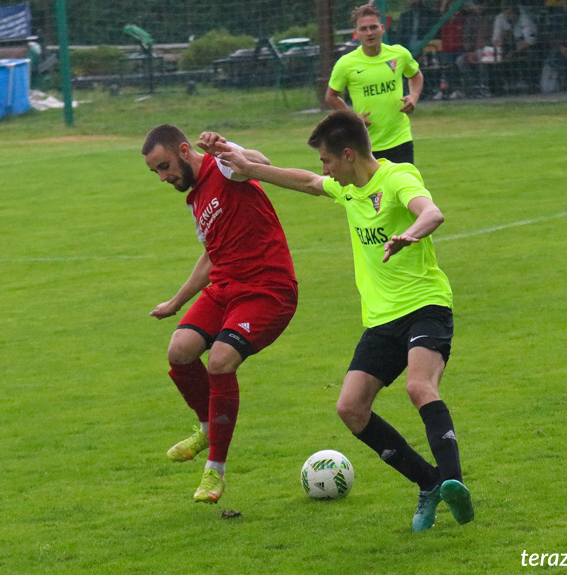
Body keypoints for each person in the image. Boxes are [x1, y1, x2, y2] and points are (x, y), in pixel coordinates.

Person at [215, 110, 474, 532]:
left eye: (327, 160)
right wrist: (252, 167)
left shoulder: (396, 177)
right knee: (351, 408)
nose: (325, 168)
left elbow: (432, 212)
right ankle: (428, 483)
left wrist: (412, 233)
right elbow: (307, 182)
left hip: (426, 304)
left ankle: (453, 484)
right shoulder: (347, 188)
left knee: (418, 385)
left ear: (348, 154)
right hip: (382, 319)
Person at [142, 125, 298, 504]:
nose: (163, 177)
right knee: (180, 351)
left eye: (165, 166)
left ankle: (216, 470)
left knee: (220, 361)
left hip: (266, 288)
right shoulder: (195, 200)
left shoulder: (225, 166)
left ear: (183, 149)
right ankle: (208, 426)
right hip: (226, 287)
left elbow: (261, 164)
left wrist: (230, 148)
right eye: (156, 172)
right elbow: (210, 257)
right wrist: (175, 303)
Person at [326, 2, 425, 164]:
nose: (369, 33)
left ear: (382, 29)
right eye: (363, 29)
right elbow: (331, 96)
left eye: (373, 27)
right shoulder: (346, 64)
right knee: (375, 190)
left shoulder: (399, 54)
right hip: (365, 144)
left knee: (405, 189)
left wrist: (413, 96)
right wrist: (352, 118)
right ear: (356, 33)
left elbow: (415, 75)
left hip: (400, 139)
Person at [492, 0, 542, 92]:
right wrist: (502, 39)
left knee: (532, 54)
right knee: (491, 55)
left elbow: (530, 41)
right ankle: (500, 87)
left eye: (510, 12)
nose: (508, 15)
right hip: (508, 46)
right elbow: (495, 40)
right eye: (505, 12)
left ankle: (529, 84)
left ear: (515, 11)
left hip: (524, 47)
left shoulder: (525, 18)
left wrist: (513, 52)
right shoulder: (500, 18)